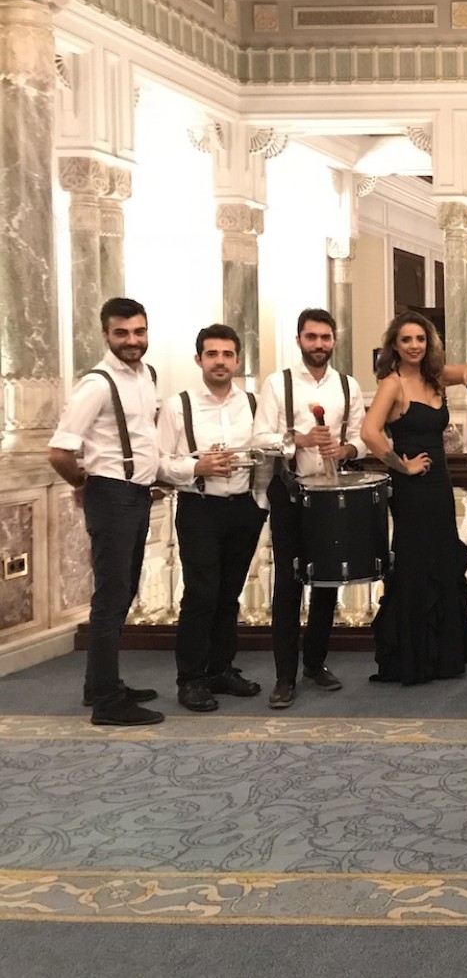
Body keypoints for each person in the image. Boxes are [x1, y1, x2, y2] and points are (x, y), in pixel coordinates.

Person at [48, 297, 165, 726]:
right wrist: (84, 484)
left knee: (124, 590)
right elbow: (59, 451)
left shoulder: (147, 375)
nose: (132, 340)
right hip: (111, 495)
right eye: (122, 333)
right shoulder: (96, 384)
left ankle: (98, 683)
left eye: (139, 331)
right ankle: (107, 702)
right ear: (106, 335)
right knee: (111, 597)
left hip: (136, 494)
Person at [251, 308, 367, 711]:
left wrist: (345, 449)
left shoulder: (348, 386)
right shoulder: (277, 384)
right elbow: (260, 438)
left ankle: (315, 664)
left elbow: (361, 439)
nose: (319, 344)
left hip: (331, 495)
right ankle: (284, 676)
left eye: (325, 337)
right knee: (288, 584)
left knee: (327, 583)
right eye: (312, 337)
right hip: (290, 493)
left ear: (334, 340)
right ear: (299, 339)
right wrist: (299, 439)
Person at [360, 311, 467, 685]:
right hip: (411, 491)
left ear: (429, 344)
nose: (414, 346)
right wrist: (402, 465)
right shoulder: (392, 384)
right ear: (394, 347)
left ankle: (443, 655)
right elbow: (369, 432)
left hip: (440, 485)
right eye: (406, 340)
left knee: (443, 560)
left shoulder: (435, 377)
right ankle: (414, 659)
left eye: (420, 339)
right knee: (415, 565)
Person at [155, 324, 268, 712]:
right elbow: (160, 463)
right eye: (212, 354)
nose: (220, 361)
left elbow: (265, 455)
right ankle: (190, 679)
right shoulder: (178, 406)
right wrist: (196, 466)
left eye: (227, 354)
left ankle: (221, 669)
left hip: (244, 509)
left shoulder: (253, 403)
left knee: (229, 594)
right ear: (199, 359)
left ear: (238, 360)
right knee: (201, 594)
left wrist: (260, 503)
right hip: (199, 507)